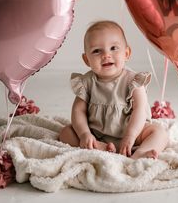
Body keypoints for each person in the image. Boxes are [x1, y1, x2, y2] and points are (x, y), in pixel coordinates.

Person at [59, 20, 168, 159]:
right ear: (87, 60)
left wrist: (130, 136)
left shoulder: (133, 81)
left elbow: (139, 110)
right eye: (97, 51)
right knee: (66, 133)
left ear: (127, 53)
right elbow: (78, 111)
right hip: (96, 133)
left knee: (160, 132)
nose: (106, 55)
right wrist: (85, 134)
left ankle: (140, 153)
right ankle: (99, 147)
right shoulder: (86, 82)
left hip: (131, 132)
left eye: (113, 48)